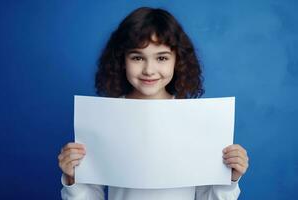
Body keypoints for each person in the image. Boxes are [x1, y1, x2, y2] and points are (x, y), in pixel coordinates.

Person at [58, 7, 249, 200]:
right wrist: (74, 179)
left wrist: (229, 179)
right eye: (138, 57)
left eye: (162, 58)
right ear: (122, 60)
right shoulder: (106, 118)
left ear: (177, 61)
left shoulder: (195, 119)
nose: (149, 70)